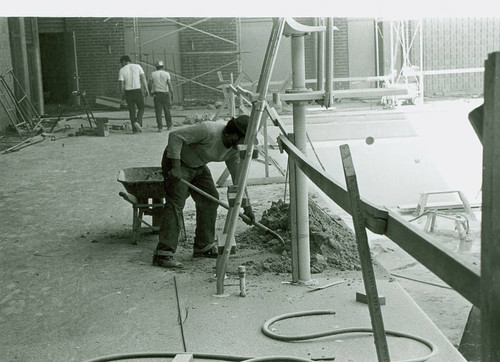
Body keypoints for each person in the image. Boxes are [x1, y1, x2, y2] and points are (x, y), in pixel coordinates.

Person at [153, 115, 256, 268]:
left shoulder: (234, 150)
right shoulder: (208, 130)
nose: (245, 145)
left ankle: (203, 246)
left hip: (198, 165)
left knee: (210, 200)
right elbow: (175, 137)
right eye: (244, 140)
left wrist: (247, 207)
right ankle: (163, 253)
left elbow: (239, 180)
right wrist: (175, 168)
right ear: (234, 135)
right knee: (176, 203)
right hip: (178, 162)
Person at [118, 55, 149, 133]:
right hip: (137, 91)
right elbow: (143, 78)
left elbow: (121, 85)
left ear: (124, 61)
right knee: (141, 108)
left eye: (121, 63)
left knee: (132, 111)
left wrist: (122, 95)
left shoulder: (122, 70)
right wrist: (146, 89)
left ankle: (135, 130)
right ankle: (137, 122)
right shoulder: (138, 66)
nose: (121, 65)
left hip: (128, 92)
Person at [148, 60, 174, 133]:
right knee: (167, 110)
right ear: (163, 66)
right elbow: (169, 84)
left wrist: (150, 92)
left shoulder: (153, 74)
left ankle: (160, 127)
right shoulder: (166, 74)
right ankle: (169, 125)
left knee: (158, 111)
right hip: (165, 94)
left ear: (156, 67)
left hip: (157, 94)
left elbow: (150, 84)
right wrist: (172, 94)